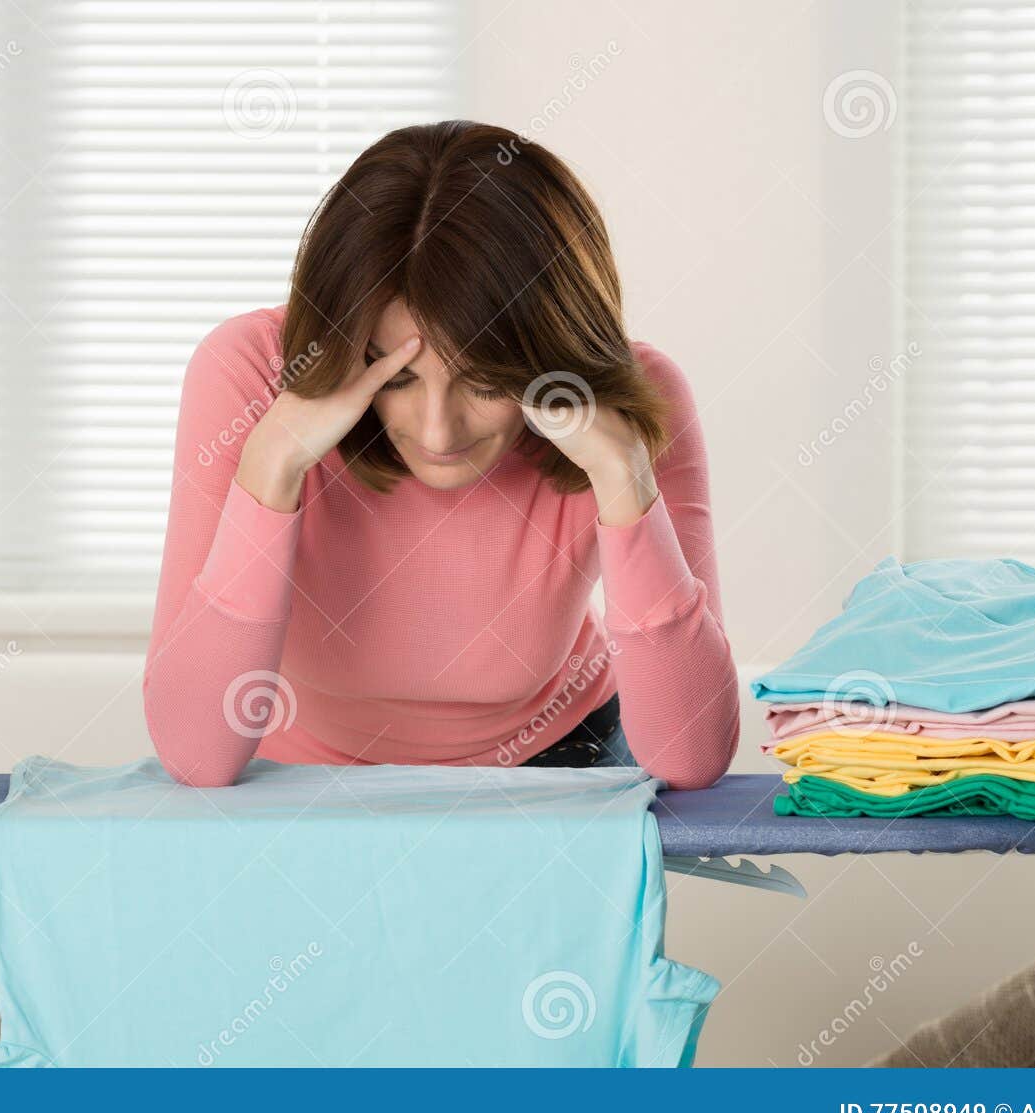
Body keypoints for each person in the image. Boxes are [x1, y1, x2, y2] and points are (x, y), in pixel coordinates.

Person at [144, 120, 739, 789]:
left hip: (561, 762)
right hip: (302, 782)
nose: (437, 432)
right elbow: (195, 755)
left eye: (486, 381)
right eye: (394, 376)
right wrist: (270, 470)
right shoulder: (249, 372)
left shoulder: (628, 405)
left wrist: (623, 478)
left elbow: (692, 760)